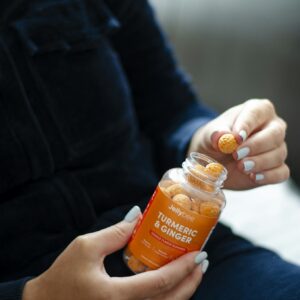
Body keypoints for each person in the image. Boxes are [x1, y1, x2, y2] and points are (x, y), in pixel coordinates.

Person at [0, 0, 299, 299]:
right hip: (35, 281)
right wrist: (33, 294)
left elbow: (170, 110)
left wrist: (202, 142)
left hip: (181, 251)